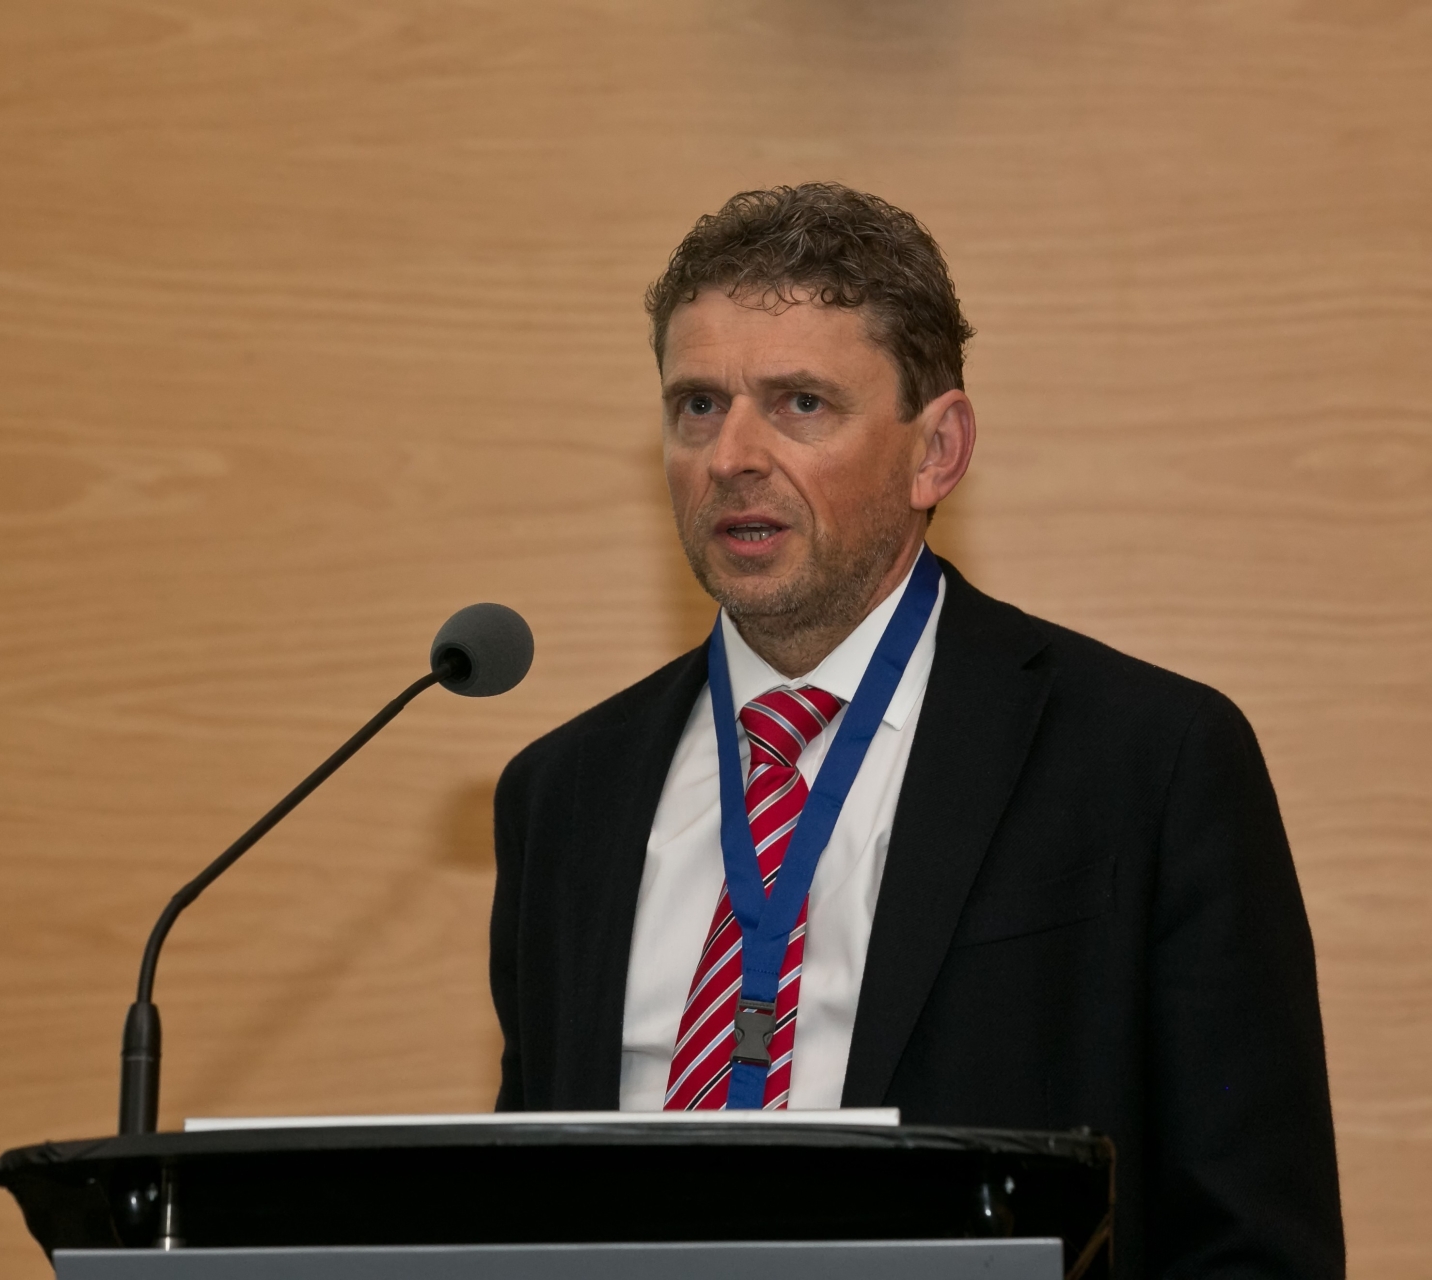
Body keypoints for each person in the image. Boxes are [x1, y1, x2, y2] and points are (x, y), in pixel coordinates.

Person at [488, 183, 1344, 1277]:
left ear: (937, 449)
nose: (731, 454)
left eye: (800, 403)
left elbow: (1252, 1244)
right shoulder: (564, 795)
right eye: (697, 405)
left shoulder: (1149, 761)